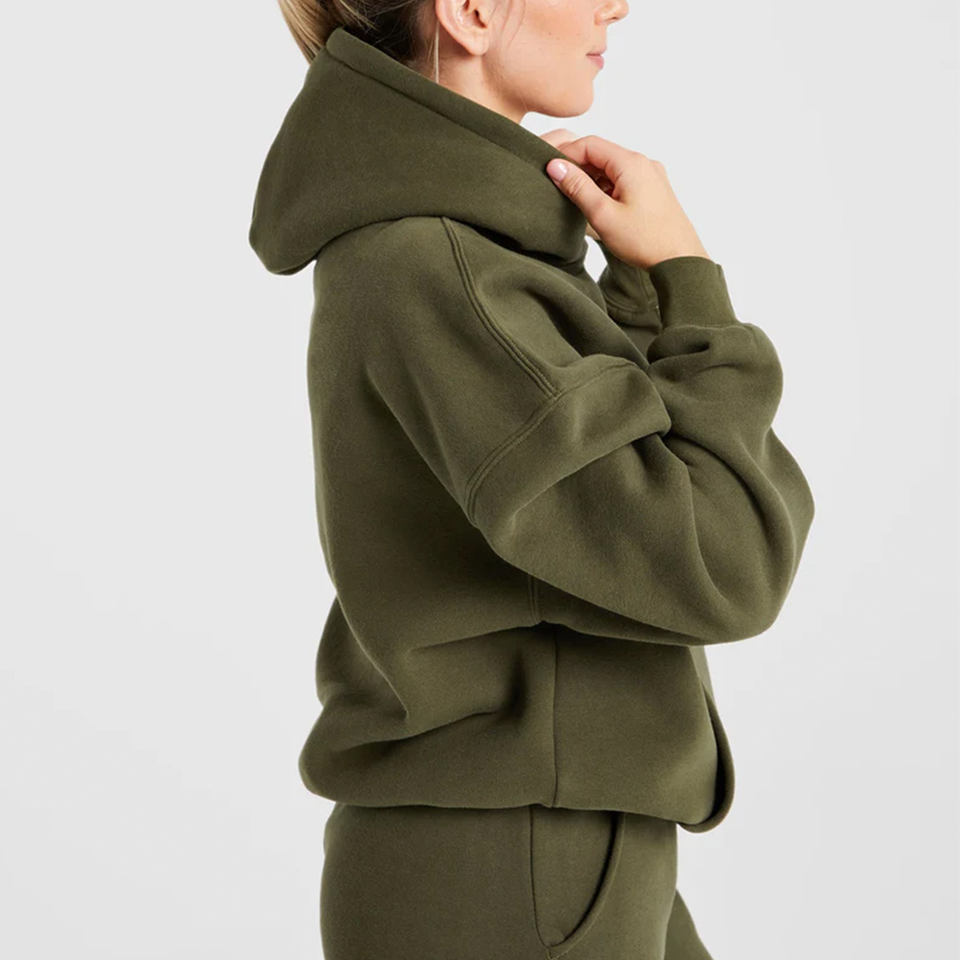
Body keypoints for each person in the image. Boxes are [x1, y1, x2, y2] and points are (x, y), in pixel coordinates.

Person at [248, 0, 816, 957]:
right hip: (517, 865)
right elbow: (725, 564)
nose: (616, 5)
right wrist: (687, 283)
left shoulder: (471, 258)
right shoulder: (444, 271)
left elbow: (619, 502)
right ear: (471, 12)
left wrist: (639, 289)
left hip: (540, 848)